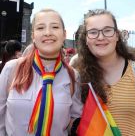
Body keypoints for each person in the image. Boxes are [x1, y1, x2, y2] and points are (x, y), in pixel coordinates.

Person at [0, 8, 83, 136]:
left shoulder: (73, 76)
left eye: (55, 27)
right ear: (33, 35)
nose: (48, 33)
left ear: (64, 34)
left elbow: (75, 118)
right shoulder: (12, 69)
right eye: (40, 28)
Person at [77, 9, 135, 135]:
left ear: (117, 35)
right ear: (86, 40)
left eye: (107, 30)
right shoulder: (78, 79)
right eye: (93, 32)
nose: (101, 37)